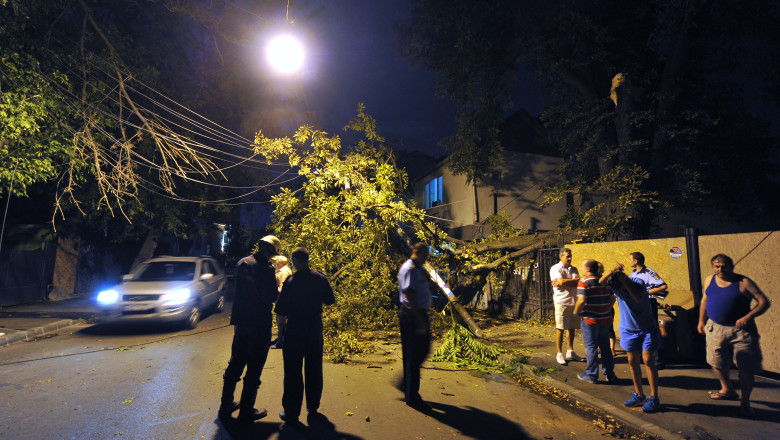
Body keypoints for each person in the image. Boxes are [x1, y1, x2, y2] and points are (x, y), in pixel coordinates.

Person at [697, 254, 770, 417]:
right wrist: (701, 321)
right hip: (715, 327)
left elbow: (763, 302)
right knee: (716, 361)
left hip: (741, 330)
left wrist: (748, 316)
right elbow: (704, 300)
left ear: (731, 266)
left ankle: (745, 402)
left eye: (724, 266)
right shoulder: (710, 279)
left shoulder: (744, 282)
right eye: (716, 266)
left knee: (746, 367)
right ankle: (727, 389)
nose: (720, 270)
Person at [218, 235, 280, 423]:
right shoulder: (266, 269)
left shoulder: (242, 263)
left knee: (235, 363)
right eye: (274, 253)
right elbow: (270, 296)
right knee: (254, 368)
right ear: (270, 251)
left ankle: (226, 405)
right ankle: (246, 410)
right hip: (259, 324)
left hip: (241, 322)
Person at [275, 247, 336, 425]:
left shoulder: (291, 282)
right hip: (315, 327)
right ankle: (313, 407)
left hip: (295, 328)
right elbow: (330, 301)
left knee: (293, 370)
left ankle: (292, 412)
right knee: (314, 367)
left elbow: (281, 310)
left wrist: (282, 332)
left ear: (294, 260)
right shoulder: (320, 277)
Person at [601, 262, 662, 413]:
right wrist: (612, 270)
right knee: (632, 361)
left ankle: (654, 397)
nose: (619, 291)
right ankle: (639, 395)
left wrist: (624, 280)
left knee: (648, 360)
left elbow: (638, 297)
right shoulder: (616, 286)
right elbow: (599, 283)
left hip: (647, 328)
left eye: (619, 287)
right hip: (628, 330)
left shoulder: (638, 281)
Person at [398, 242, 434, 411]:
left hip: (417, 314)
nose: (427, 259)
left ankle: (406, 384)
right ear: (417, 252)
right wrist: (420, 320)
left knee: (420, 352)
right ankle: (412, 397)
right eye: (425, 255)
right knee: (415, 354)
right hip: (412, 315)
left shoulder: (417, 268)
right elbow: (409, 294)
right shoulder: (410, 268)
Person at [573, 259, 617, 384]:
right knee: (605, 348)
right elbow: (613, 297)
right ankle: (609, 374)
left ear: (587, 269)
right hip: (605, 319)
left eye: (582, 267)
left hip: (590, 320)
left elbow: (581, 300)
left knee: (591, 348)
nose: (581, 269)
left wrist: (576, 312)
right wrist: (608, 308)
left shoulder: (584, 282)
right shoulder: (605, 281)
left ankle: (591, 375)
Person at [629, 252, 669, 368]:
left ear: (636, 261)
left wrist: (646, 293)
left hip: (648, 303)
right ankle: (645, 356)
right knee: (641, 330)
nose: (629, 261)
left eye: (630, 259)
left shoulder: (648, 272)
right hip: (637, 304)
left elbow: (663, 286)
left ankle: (658, 360)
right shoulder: (633, 273)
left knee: (652, 330)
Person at [550, 248, 581, 365]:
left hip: (573, 301)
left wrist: (564, 281)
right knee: (560, 327)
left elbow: (578, 281)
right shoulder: (555, 268)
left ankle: (570, 351)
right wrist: (570, 281)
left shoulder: (574, 269)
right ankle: (559, 353)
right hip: (562, 301)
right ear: (561, 257)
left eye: (570, 255)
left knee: (571, 327)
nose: (570, 258)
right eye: (567, 256)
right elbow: (560, 281)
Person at [271, 255, 293, 349]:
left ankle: (281, 342)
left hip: (282, 299)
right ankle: (282, 340)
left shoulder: (284, 272)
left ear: (279, 263)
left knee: (281, 321)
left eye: (276, 262)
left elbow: (283, 289)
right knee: (281, 321)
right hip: (283, 299)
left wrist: (272, 288)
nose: (275, 263)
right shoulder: (284, 270)